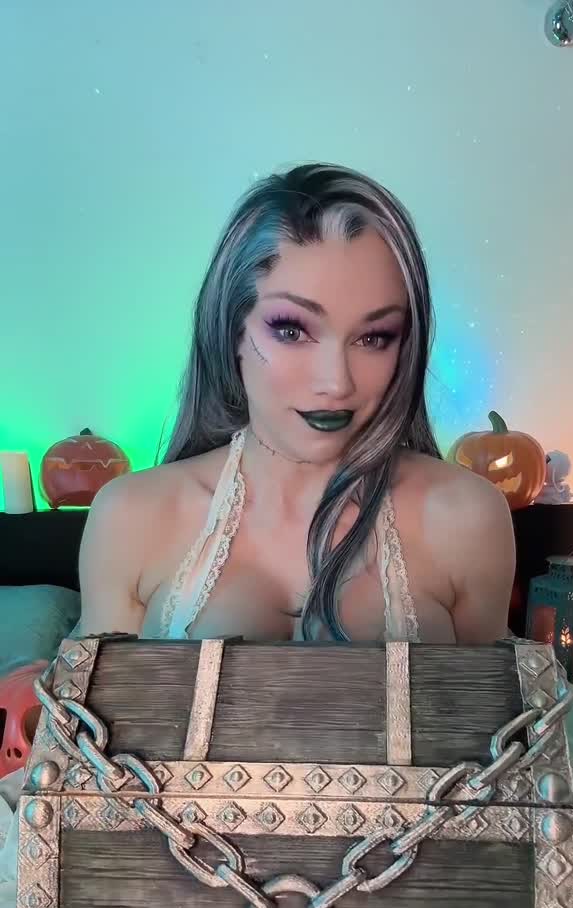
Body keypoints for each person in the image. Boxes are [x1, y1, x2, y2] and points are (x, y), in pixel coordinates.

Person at [77, 162, 515, 644]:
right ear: (232, 329)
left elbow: (500, 692)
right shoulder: (131, 516)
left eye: (374, 337)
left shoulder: (468, 517)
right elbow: (92, 690)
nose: (336, 383)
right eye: (291, 330)